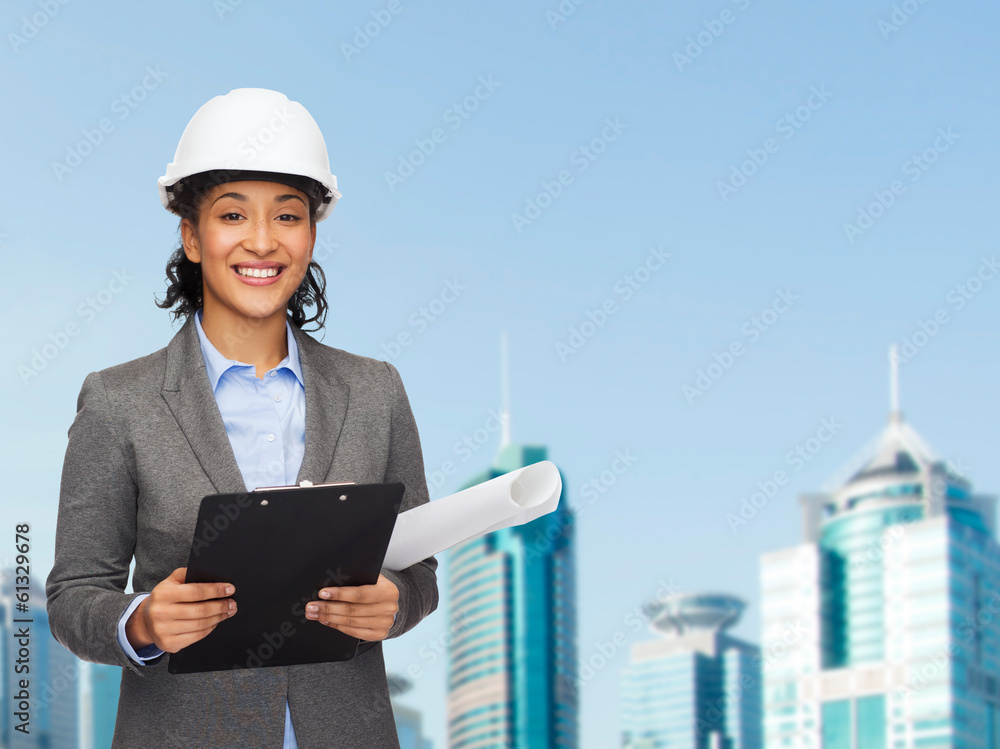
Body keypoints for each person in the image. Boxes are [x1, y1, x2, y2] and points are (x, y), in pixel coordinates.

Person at [45, 88, 439, 748]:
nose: (262, 240)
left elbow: (419, 573)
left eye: (288, 216)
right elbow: (74, 595)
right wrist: (141, 621)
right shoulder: (119, 403)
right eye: (233, 214)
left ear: (312, 235)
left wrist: (395, 601)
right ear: (192, 236)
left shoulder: (377, 392)